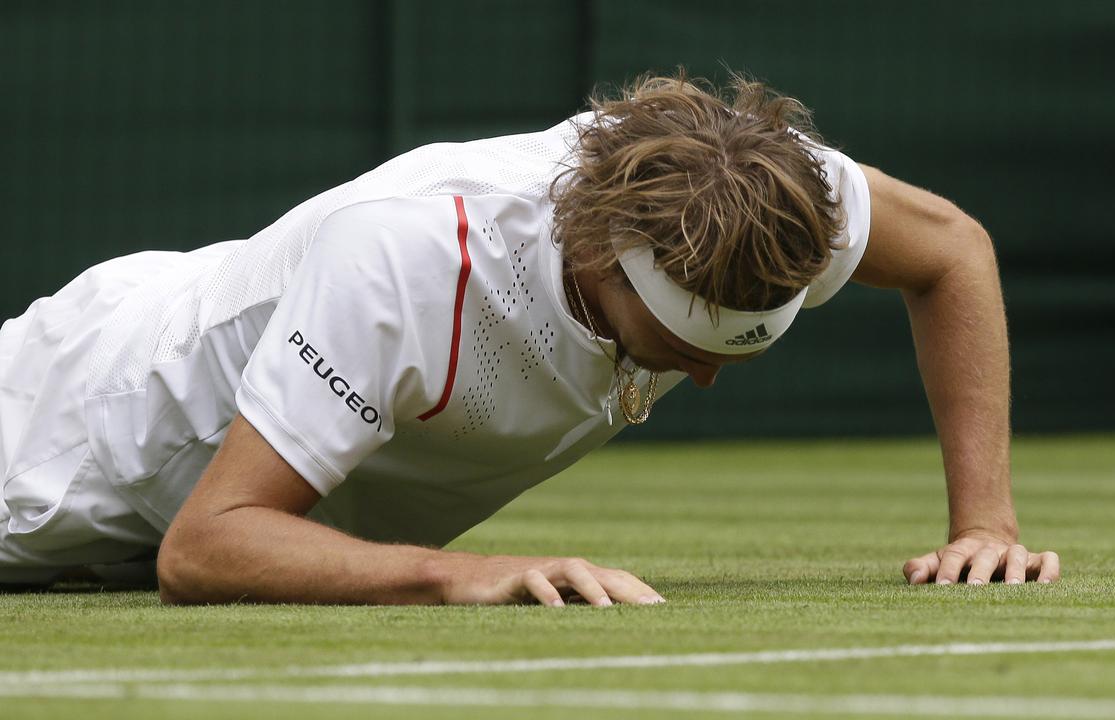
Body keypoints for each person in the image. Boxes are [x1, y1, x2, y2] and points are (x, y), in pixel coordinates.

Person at [0, 74, 1059, 604]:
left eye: (737, 352)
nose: (702, 377)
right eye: (677, 345)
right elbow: (205, 545)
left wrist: (986, 524)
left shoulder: (769, 191)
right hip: (62, 441)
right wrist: (462, 575)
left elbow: (950, 251)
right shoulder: (406, 262)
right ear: (597, 253)